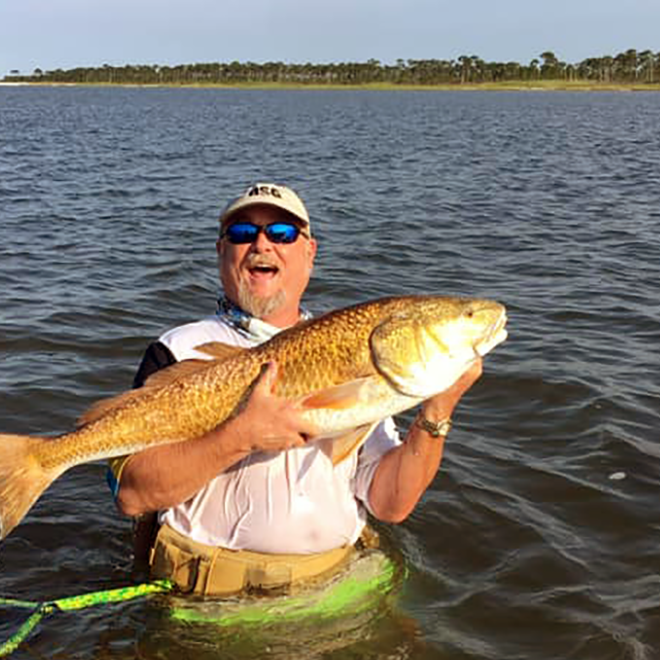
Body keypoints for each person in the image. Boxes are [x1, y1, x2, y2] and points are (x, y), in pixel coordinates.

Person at [108, 182, 482, 595]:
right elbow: (132, 494)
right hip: (210, 604)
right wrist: (240, 437)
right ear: (221, 251)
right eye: (242, 233)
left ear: (309, 253)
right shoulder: (177, 351)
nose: (261, 245)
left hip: (336, 592)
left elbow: (390, 503)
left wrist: (437, 411)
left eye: (282, 234)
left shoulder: (354, 349)